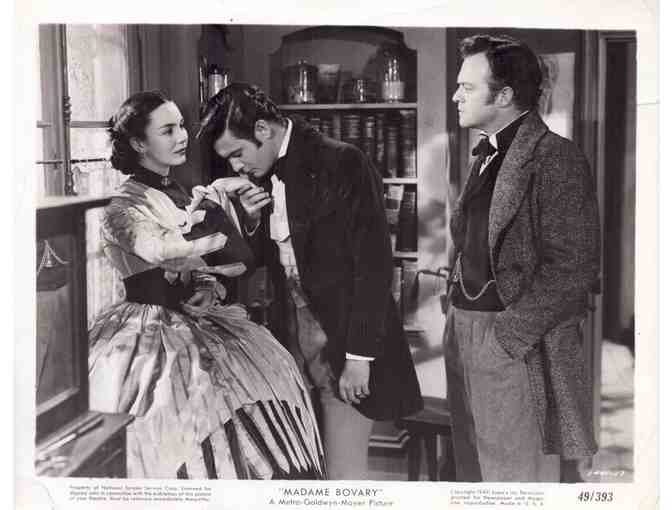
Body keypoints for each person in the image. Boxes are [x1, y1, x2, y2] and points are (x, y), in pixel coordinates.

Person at [88, 90, 324, 479]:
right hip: (147, 330)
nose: (182, 136)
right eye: (167, 130)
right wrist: (216, 220)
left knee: (268, 381)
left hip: (198, 320)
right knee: (176, 415)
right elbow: (162, 251)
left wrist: (209, 283)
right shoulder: (122, 206)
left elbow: (231, 262)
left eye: (181, 125)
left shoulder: (182, 192)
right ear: (139, 143)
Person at [197, 83, 423, 480]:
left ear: (263, 130)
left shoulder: (344, 162)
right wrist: (251, 221)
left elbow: (373, 266)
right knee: (303, 471)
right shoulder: (262, 173)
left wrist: (360, 357)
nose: (235, 167)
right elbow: (264, 260)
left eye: (237, 153)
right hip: (291, 346)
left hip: (344, 343)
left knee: (342, 478)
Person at [445, 34, 600, 482]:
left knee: (513, 480)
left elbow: (573, 267)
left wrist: (505, 340)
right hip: (463, 329)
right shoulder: (485, 153)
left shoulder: (555, 157)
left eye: (467, 87)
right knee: (472, 474)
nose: (456, 96)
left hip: (512, 339)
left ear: (505, 95)